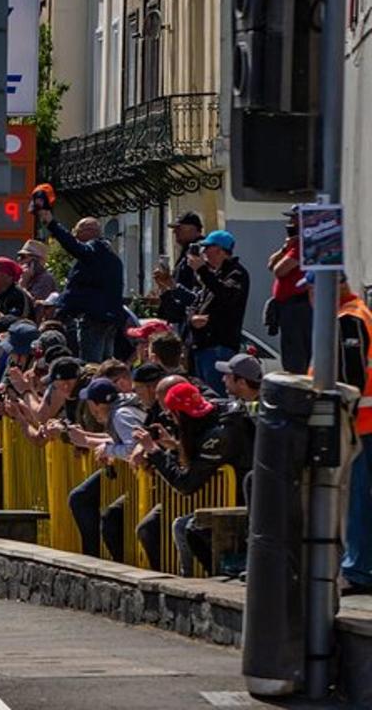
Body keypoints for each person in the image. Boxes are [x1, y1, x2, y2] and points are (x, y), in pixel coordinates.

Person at [132, 381, 254, 576]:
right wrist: (173, 445)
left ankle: (203, 577)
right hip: (225, 497)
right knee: (160, 526)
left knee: (185, 527)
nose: (170, 420)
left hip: (239, 501)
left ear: (179, 414)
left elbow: (186, 483)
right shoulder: (214, 416)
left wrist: (153, 450)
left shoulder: (219, 434)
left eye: (171, 415)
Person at [301, 272, 372, 594]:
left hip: (357, 426)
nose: (311, 298)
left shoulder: (348, 320)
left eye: (313, 290)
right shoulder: (357, 313)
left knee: (353, 501)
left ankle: (357, 569)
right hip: (361, 423)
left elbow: (350, 381)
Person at [65, 377, 145, 560]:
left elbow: (134, 448)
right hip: (140, 479)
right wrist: (88, 439)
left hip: (148, 481)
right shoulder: (120, 412)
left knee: (110, 520)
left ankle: (99, 561)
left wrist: (108, 450)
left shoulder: (120, 415)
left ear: (95, 404)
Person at [36, 209, 125, 362]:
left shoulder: (93, 250)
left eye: (77, 232)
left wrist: (52, 224)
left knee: (91, 365)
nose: (75, 236)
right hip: (110, 318)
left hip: (93, 318)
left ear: (89, 232)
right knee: (106, 364)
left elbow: (73, 246)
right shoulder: (112, 258)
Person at [186, 230, 250, 397]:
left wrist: (202, 270)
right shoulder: (214, 274)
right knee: (203, 395)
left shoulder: (237, 274)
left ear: (221, 250)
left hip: (219, 346)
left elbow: (226, 295)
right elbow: (197, 302)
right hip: (202, 345)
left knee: (215, 396)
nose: (204, 252)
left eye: (208, 248)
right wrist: (192, 318)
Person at [266, 207, 312, 373]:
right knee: (291, 350)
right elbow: (270, 264)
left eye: (294, 219)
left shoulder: (304, 244)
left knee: (297, 355)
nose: (290, 223)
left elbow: (280, 270)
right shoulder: (293, 244)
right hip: (287, 308)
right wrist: (285, 248)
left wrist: (291, 247)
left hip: (298, 306)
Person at [154, 211, 205, 325]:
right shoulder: (186, 250)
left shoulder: (199, 250)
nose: (174, 232)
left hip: (191, 314)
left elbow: (198, 288)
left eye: (179, 228)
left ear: (193, 229)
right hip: (181, 313)